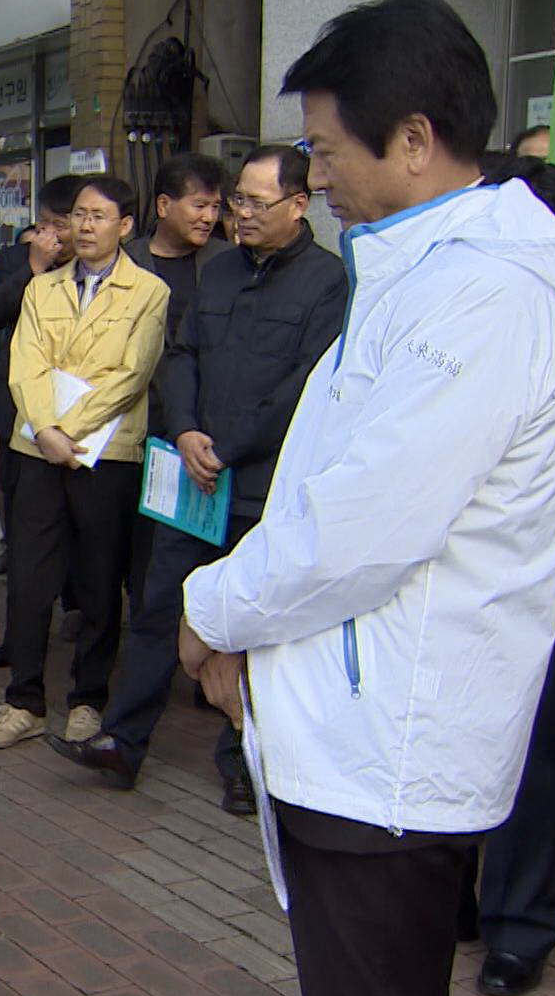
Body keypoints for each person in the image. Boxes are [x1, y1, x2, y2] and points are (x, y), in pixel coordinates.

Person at [178, 0, 555, 996]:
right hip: (361, 732)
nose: (315, 175)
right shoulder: (419, 274)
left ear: (413, 139)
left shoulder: (479, 299)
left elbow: (361, 528)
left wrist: (210, 610)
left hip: (387, 749)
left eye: (326, 150)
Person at [50, 144, 347, 816]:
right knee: (159, 608)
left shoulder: (327, 281)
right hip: (191, 477)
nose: (240, 214)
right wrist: (184, 430)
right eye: (237, 200)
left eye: (256, 203)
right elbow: (180, 354)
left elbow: (304, 386)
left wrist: (229, 448)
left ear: (299, 205)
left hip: (261, 485)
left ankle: (245, 764)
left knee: (251, 632)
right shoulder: (219, 271)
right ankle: (122, 742)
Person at [458, 155, 555, 996]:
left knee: (535, 744)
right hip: (461, 563)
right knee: (460, 728)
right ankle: (454, 898)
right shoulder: (463, 302)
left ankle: (518, 925)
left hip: (546, 562)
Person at [0, 176, 168, 750]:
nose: (84, 226)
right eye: (78, 215)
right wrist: (46, 431)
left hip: (105, 452)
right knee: (30, 576)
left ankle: (88, 700)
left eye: (98, 216)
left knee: (99, 577)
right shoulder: (43, 288)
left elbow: (131, 375)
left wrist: (68, 432)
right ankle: (23, 701)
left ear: (125, 225)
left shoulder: (149, 292)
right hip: (38, 449)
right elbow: (25, 365)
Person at [0, 175, 85, 664]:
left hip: (79, 415)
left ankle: (78, 608)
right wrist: (34, 268)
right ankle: (18, 637)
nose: (51, 236)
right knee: (24, 531)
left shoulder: (101, 270)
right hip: (20, 413)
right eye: (43, 225)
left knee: (80, 525)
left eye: (60, 226)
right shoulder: (17, 259)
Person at [125, 152, 232, 348]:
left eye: (215, 207)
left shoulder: (228, 260)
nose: (209, 217)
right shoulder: (126, 262)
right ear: (163, 205)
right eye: (200, 206)